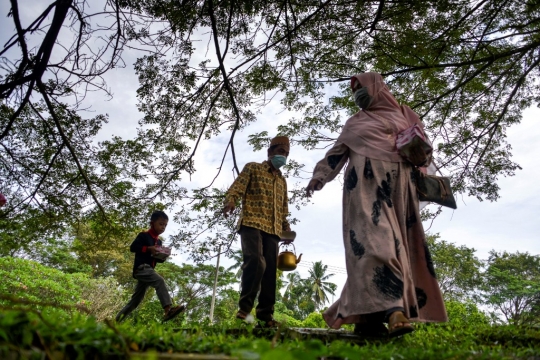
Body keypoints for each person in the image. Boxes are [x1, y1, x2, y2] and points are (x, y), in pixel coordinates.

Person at [306, 73, 447, 337]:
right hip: (364, 188)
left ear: (377, 88)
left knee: (397, 247)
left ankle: (366, 317)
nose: (358, 94)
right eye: (355, 91)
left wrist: (420, 156)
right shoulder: (355, 122)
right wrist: (320, 176)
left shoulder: (406, 115)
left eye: (362, 88)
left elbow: (423, 152)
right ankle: (394, 310)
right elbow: (337, 152)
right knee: (375, 243)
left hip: (400, 190)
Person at [223, 136, 292, 327]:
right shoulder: (253, 168)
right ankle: (244, 309)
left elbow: (283, 209)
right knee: (256, 261)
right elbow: (236, 188)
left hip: (273, 230)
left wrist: (286, 228)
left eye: (286, 153)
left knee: (270, 271)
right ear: (270, 152)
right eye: (280, 152)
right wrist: (231, 201)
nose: (283, 156)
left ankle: (265, 316)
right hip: (252, 222)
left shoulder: (282, 181)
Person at [116, 210, 185, 323]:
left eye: (165, 225)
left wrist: (162, 256)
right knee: (159, 281)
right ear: (152, 223)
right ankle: (168, 310)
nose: (163, 227)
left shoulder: (159, 243)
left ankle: (116, 321)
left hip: (149, 271)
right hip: (141, 268)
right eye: (161, 224)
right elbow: (133, 247)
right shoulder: (144, 235)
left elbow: (157, 259)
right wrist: (148, 249)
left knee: (136, 300)